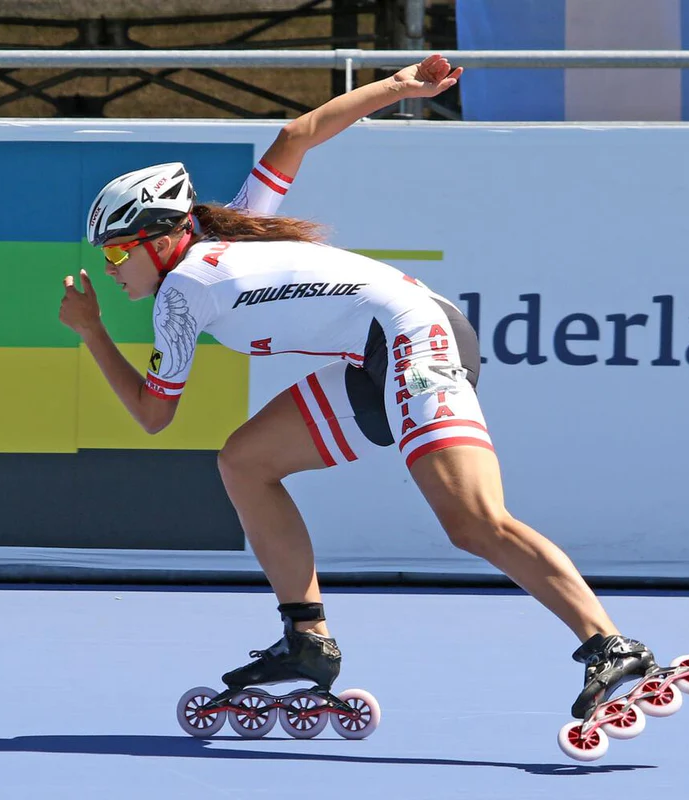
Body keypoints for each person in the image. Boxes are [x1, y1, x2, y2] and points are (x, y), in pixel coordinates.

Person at [60, 54, 656, 726]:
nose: (111, 270)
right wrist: (400, 86)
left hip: (411, 339)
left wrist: (92, 333)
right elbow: (295, 136)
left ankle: (608, 642)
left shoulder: (182, 291)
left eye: (115, 253)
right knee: (245, 462)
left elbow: (153, 416)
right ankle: (306, 637)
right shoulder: (228, 231)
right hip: (378, 355)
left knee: (472, 520)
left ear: (162, 240)